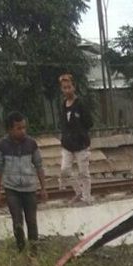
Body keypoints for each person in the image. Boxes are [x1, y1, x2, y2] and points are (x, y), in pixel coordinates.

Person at [0, 111, 47, 253]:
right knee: (17, 221)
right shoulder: (1, 146)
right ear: (10, 129)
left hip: (30, 188)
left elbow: (39, 166)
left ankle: (34, 251)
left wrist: (43, 188)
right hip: (12, 189)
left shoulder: (31, 144)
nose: (22, 131)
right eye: (19, 128)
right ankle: (21, 249)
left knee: (32, 221)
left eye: (24, 127)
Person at [58, 73, 94, 203]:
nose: (67, 90)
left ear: (74, 87)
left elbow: (89, 122)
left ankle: (87, 197)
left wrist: (80, 132)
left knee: (83, 172)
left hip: (81, 144)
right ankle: (78, 191)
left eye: (69, 87)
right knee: (65, 170)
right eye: (64, 88)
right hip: (67, 144)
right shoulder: (63, 105)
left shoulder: (81, 104)